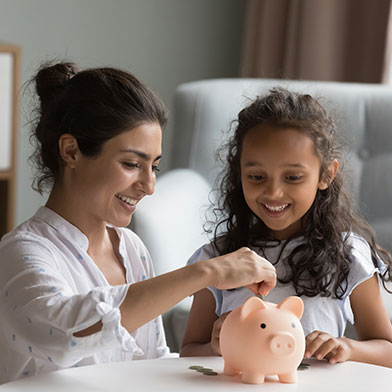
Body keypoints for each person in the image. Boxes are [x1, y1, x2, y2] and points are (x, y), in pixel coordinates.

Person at [0, 62, 277, 384]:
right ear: (71, 151)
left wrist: (226, 344)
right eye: (132, 164)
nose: (149, 186)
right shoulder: (21, 252)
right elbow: (64, 334)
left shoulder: (130, 247)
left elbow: (151, 361)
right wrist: (207, 272)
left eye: (154, 167)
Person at [180, 88, 392, 368]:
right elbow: (188, 351)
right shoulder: (219, 259)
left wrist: (346, 347)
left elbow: (387, 350)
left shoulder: (349, 255)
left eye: (293, 177)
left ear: (326, 174)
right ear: (239, 173)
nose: (274, 192)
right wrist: (215, 346)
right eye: (256, 176)